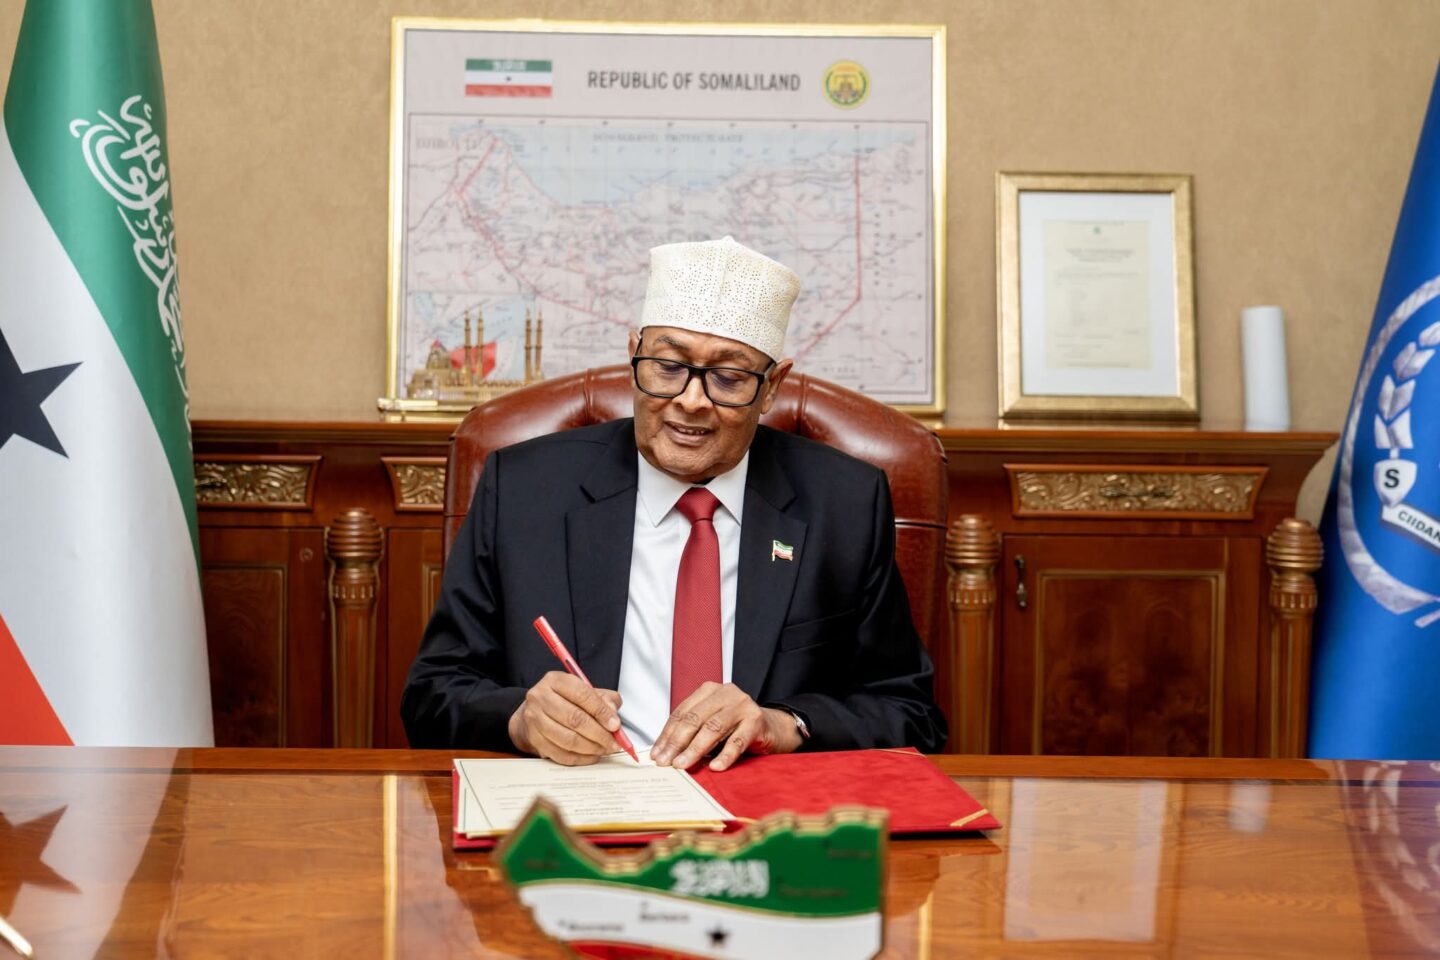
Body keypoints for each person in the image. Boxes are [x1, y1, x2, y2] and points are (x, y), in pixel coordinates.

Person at [401, 236, 947, 770]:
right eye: (667, 368)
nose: (690, 401)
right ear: (633, 356)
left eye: (728, 378)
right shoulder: (525, 489)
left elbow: (911, 713)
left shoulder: (843, 503)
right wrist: (519, 720)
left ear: (772, 387)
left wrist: (784, 723)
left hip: (761, 812)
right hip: (582, 801)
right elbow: (432, 695)